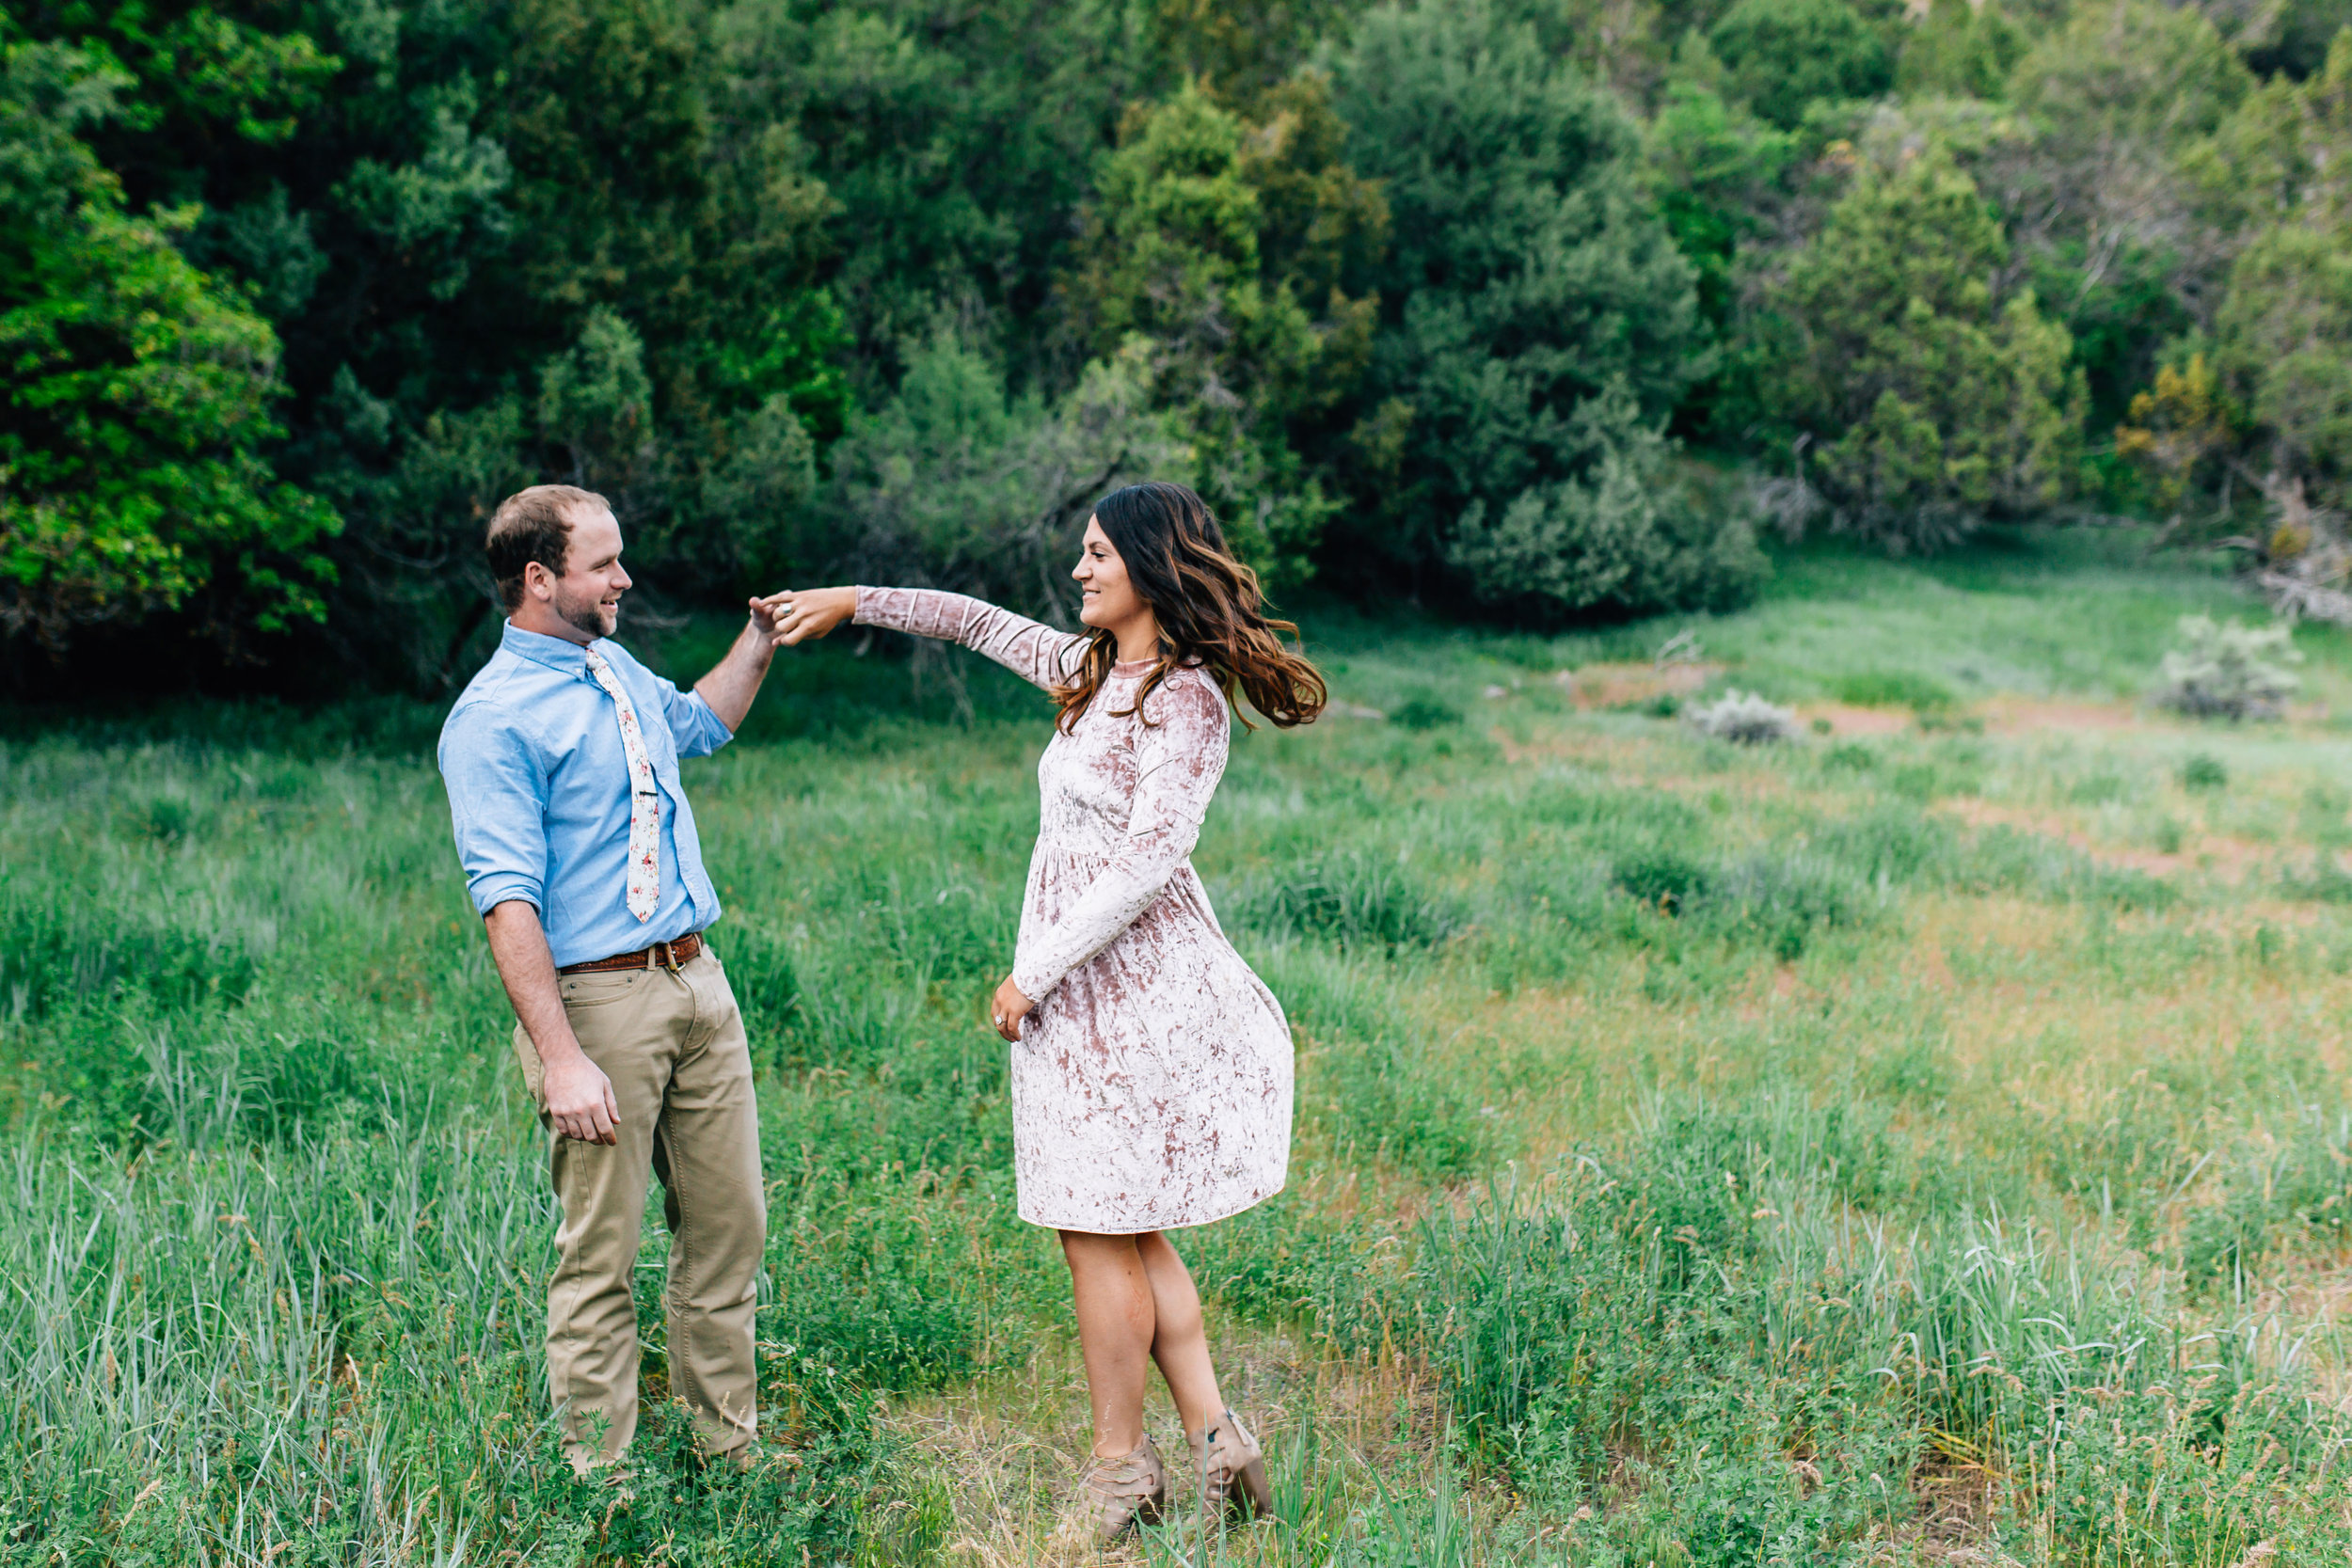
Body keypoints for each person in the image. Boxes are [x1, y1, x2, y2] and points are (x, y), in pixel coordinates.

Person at [766, 481, 1326, 1542]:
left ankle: (1123, 1468)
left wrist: (1035, 969)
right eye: (1081, 552)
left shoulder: (1184, 698)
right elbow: (971, 621)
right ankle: (1218, 1441)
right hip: (1087, 992)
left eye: (1098, 554)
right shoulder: (1092, 672)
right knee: (1120, 1220)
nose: (1079, 570)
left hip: (1134, 992)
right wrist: (852, 597)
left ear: (1152, 566)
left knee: (1093, 1225)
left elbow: (1147, 859)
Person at [437, 483, 782, 1475]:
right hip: (598, 1007)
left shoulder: (614, 666)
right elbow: (507, 902)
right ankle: (607, 1485)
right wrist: (561, 1058)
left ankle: (731, 1455)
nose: (624, 578)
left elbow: (701, 724)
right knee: (601, 1257)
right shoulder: (492, 718)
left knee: (729, 1231)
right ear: (540, 578)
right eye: (603, 563)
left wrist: (757, 640)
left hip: (695, 983)